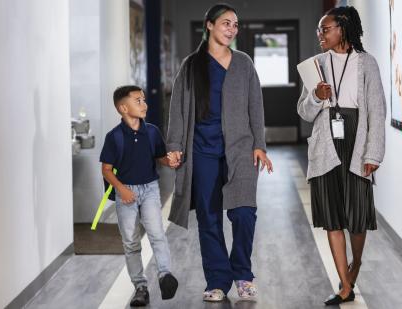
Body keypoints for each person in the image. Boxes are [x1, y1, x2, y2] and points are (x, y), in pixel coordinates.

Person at [165, 3, 273, 302]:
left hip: (240, 149)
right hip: (202, 151)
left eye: (235, 25)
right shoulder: (191, 66)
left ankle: (243, 274)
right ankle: (217, 280)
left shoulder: (243, 63)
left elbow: (256, 106)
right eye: (226, 23)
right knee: (209, 218)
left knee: (244, 214)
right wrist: (174, 146)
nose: (231, 29)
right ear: (209, 25)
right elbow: (177, 110)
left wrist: (259, 145)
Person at [297, 6, 386, 306]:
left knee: (357, 219)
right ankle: (345, 287)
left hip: (357, 144)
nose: (320, 34)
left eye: (326, 28)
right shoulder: (316, 64)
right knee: (333, 218)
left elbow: (377, 110)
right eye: (319, 29)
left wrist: (374, 152)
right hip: (326, 148)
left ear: (343, 28)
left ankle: (356, 263)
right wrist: (316, 97)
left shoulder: (366, 63)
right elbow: (304, 112)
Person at [100, 85, 179, 307]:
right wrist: (121, 189)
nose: (144, 104)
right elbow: (106, 169)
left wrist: (170, 161)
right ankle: (140, 287)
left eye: (144, 100)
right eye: (138, 101)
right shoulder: (114, 137)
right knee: (131, 241)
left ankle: (165, 275)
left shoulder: (152, 131)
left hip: (151, 189)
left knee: (157, 233)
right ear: (123, 108)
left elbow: (160, 157)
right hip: (126, 193)